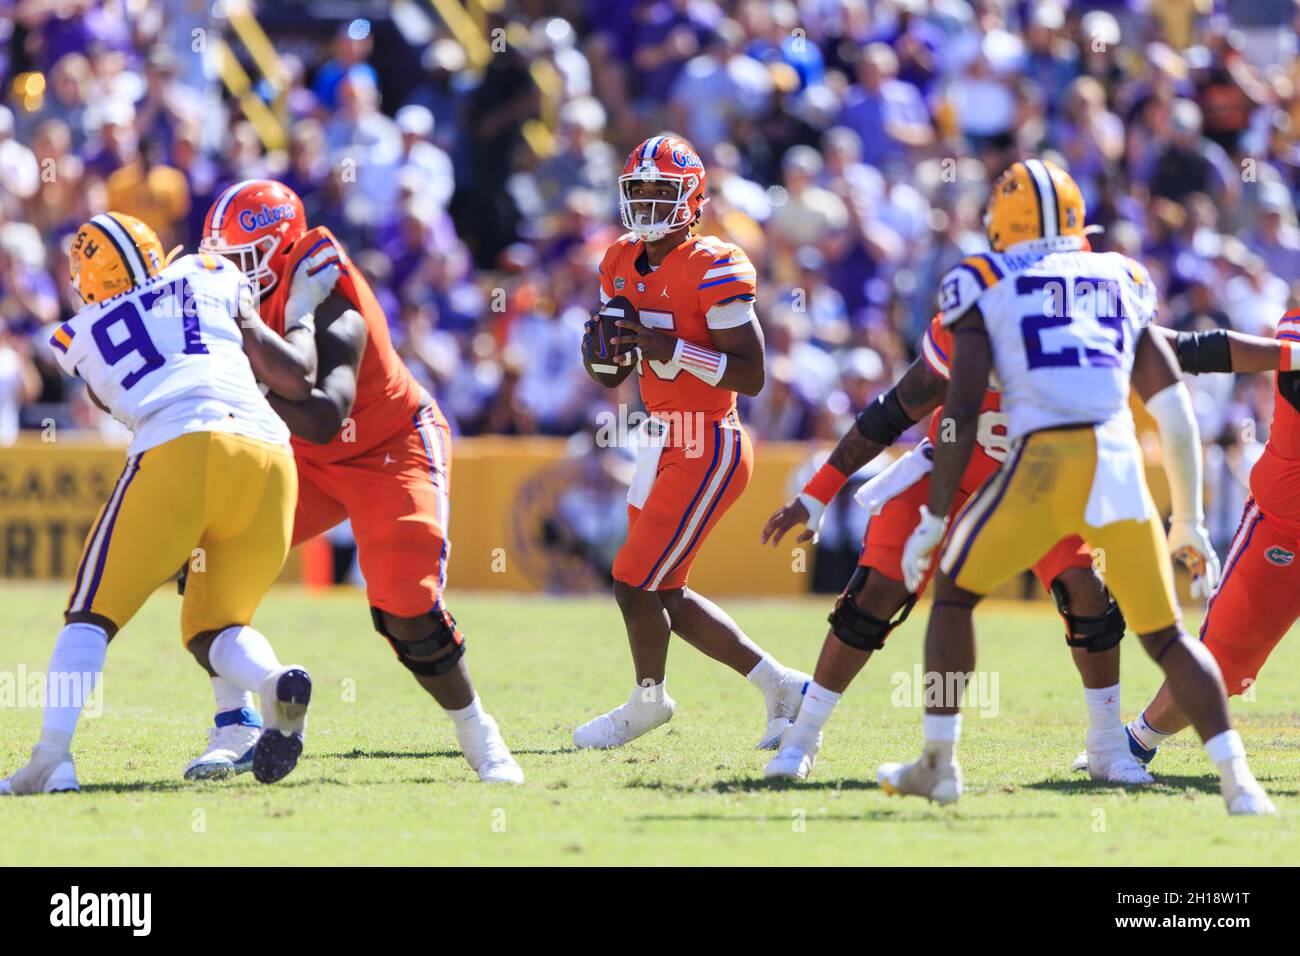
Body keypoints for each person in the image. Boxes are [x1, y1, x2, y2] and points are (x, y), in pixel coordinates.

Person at [878, 159, 1273, 816]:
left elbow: (963, 409)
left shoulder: (982, 279)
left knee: (952, 598)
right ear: (1072, 222)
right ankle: (1240, 783)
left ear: (1000, 227)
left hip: (1043, 461)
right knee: (1169, 639)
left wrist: (934, 514)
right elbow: (1173, 407)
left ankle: (940, 764)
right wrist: (1189, 519)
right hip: (1118, 462)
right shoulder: (1119, 274)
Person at [195, 180, 523, 784]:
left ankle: (479, 732)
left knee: (407, 604)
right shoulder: (241, 293)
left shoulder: (331, 298)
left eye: (245, 261)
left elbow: (324, 417)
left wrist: (248, 380)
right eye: (222, 259)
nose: (231, 276)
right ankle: (236, 720)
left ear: (281, 251)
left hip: (386, 445)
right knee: (210, 555)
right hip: (302, 451)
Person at [2, 213, 309, 793]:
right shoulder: (208, 271)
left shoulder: (79, 331)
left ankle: (51, 757)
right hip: (272, 456)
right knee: (214, 626)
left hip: (182, 447)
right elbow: (245, 319)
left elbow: (101, 388)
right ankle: (273, 684)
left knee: (89, 614)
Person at [576, 134, 809, 750]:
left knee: (633, 578)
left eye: (662, 192)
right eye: (640, 192)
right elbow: (617, 366)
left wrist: (666, 349)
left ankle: (647, 702)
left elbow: (752, 374)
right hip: (660, 438)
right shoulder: (619, 259)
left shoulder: (715, 263)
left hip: (710, 438)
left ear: (693, 198)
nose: (649, 205)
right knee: (662, 590)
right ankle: (780, 684)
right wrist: (606, 357)